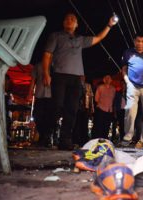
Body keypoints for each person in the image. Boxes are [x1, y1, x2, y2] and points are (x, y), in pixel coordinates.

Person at [42, 12, 117, 150]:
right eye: (67, 19)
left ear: (77, 25)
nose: (70, 20)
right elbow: (47, 55)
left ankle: (65, 140)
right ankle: (47, 135)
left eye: (73, 19)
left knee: (72, 109)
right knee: (57, 106)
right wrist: (46, 73)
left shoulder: (80, 39)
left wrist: (109, 25)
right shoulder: (56, 36)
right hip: (59, 75)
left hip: (76, 78)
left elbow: (98, 37)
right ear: (64, 23)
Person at [27, 62, 53, 147]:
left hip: (51, 95)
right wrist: (30, 93)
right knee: (37, 116)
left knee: (48, 117)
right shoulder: (38, 65)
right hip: (39, 94)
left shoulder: (54, 64)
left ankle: (46, 137)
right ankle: (42, 136)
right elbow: (33, 80)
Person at [92, 75, 116, 139]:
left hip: (109, 110)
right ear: (104, 80)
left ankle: (104, 140)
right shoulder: (100, 87)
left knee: (107, 127)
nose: (108, 79)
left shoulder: (113, 89)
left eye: (109, 78)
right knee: (98, 127)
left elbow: (113, 100)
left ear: (111, 80)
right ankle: (96, 140)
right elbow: (96, 99)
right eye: (106, 78)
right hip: (100, 109)